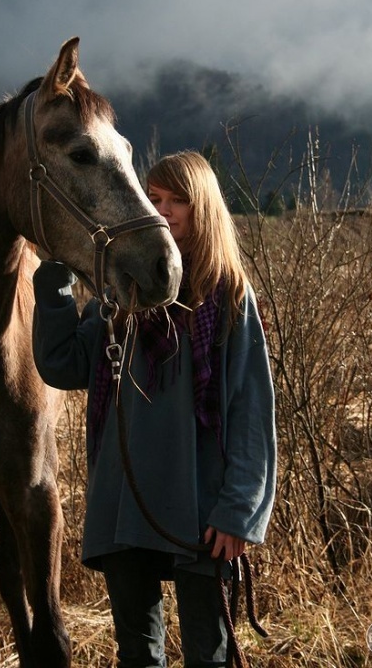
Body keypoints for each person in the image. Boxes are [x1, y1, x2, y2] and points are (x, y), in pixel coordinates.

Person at [32, 150, 277, 668]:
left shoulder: (228, 296)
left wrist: (239, 512)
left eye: (176, 200)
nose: (163, 210)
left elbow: (252, 413)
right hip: (126, 505)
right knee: (139, 656)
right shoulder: (124, 291)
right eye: (155, 198)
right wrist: (53, 274)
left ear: (202, 208)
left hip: (201, 510)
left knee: (208, 657)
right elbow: (63, 365)